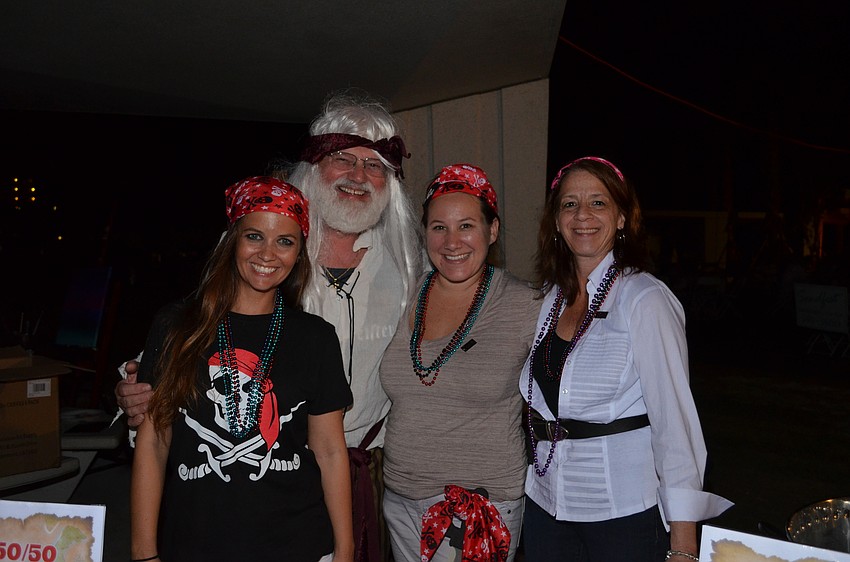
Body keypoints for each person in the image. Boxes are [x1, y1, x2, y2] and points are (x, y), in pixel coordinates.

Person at [118, 89, 422, 561]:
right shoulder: (271, 250)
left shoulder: (409, 269)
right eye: (343, 158)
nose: (359, 176)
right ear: (313, 167)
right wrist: (134, 385)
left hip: (367, 471)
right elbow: (188, 348)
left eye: (376, 165)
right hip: (248, 483)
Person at [520, 156, 732, 562]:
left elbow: (675, 423)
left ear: (622, 219)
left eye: (598, 202)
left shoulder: (645, 299)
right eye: (569, 204)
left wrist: (684, 547)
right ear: (556, 221)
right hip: (546, 508)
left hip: (622, 517)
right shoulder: (549, 298)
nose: (582, 215)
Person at [130, 176, 354, 561]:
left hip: (298, 544)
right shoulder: (176, 326)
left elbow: (330, 450)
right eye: (255, 237)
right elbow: (153, 442)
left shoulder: (316, 337)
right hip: (194, 543)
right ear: (232, 240)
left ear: (299, 252)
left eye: (285, 241)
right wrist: (143, 552)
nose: (268, 254)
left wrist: (345, 550)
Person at [379, 164, 539, 562]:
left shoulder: (526, 306)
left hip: (478, 505)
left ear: (493, 230)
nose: (452, 242)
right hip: (400, 499)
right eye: (438, 227)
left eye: (466, 225)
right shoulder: (404, 296)